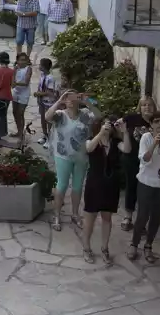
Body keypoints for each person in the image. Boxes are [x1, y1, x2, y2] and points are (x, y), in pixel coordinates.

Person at [128, 111, 160, 263]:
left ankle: (148, 246)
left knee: (156, 216)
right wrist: (155, 144)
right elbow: (144, 159)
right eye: (156, 122)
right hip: (146, 182)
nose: (159, 124)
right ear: (151, 125)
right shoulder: (146, 138)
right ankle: (134, 244)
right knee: (142, 215)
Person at [81, 117, 131, 265]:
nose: (107, 126)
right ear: (99, 125)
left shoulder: (115, 143)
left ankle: (104, 248)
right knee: (89, 218)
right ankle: (86, 248)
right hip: (94, 184)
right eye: (104, 123)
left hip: (110, 185)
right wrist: (100, 134)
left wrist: (125, 132)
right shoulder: (92, 140)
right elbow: (89, 149)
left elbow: (127, 149)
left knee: (107, 218)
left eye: (109, 124)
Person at [44, 91, 96, 231]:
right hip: (63, 156)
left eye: (74, 97)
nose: (71, 100)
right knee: (61, 185)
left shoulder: (85, 114)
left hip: (81, 157)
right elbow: (47, 116)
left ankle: (75, 214)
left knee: (78, 186)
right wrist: (59, 101)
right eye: (67, 97)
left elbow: (99, 115)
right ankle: (56, 216)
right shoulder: (60, 115)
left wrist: (88, 102)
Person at [120, 96, 156, 231]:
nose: (147, 107)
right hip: (132, 160)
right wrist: (122, 142)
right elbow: (117, 126)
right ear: (139, 108)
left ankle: (141, 221)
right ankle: (128, 216)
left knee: (145, 191)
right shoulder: (132, 118)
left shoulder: (158, 121)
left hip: (149, 163)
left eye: (150, 105)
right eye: (144, 105)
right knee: (131, 187)